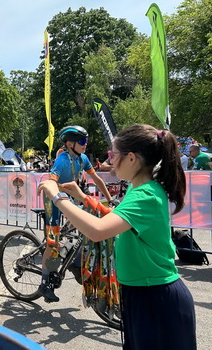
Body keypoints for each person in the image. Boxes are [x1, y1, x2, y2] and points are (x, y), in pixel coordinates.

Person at [38, 124, 196, 350]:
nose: (110, 161)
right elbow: (115, 218)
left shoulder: (146, 195)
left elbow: (98, 230)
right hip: (141, 292)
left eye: (113, 155)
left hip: (155, 296)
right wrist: (83, 198)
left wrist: (57, 197)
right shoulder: (137, 188)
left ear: (131, 158)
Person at [37, 126, 114, 303]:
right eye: (82, 141)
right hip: (53, 199)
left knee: (84, 227)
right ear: (70, 144)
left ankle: (72, 260)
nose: (85, 144)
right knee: (53, 243)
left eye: (86, 141)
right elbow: (51, 183)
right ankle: (44, 284)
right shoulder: (62, 160)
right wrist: (62, 193)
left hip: (70, 197)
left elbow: (97, 179)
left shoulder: (83, 158)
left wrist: (110, 200)